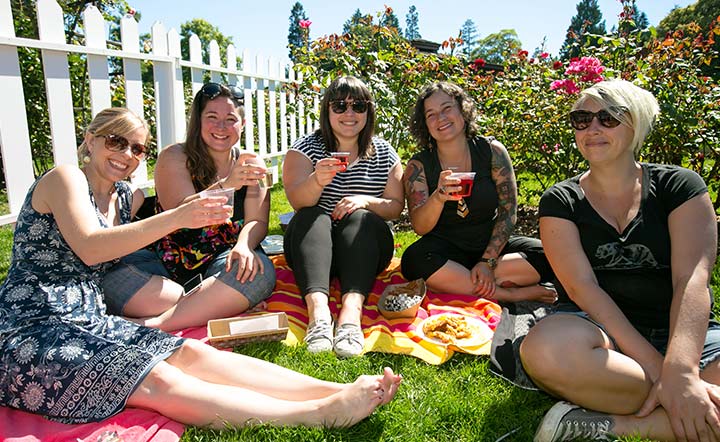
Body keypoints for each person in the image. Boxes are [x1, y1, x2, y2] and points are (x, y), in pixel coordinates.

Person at [0, 107, 401, 428]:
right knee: (157, 379)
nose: (126, 155)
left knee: (191, 353)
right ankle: (317, 416)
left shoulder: (125, 196)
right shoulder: (65, 177)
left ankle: (332, 389)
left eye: (137, 149)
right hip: (30, 327)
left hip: (88, 319)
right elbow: (90, 248)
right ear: (89, 139)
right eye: (115, 141)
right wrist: (178, 218)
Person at [521, 79, 720, 442]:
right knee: (544, 350)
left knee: (699, 394)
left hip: (684, 334)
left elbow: (691, 280)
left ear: (637, 124)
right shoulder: (560, 200)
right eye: (581, 119)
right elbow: (584, 289)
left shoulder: (680, 186)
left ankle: (611, 426)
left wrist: (682, 368)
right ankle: (686, 409)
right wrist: (668, 376)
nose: (592, 128)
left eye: (608, 117)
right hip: (603, 335)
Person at [103, 83, 276, 331]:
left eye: (230, 119)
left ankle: (155, 324)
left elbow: (256, 220)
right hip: (163, 261)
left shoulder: (250, 161)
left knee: (259, 272)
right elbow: (181, 211)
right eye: (212, 117)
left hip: (223, 257)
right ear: (197, 120)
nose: (221, 127)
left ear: (243, 124)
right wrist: (228, 184)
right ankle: (208, 304)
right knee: (113, 277)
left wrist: (245, 245)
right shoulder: (175, 156)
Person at [401, 82, 556, 303]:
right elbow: (420, 227)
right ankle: (508, 293)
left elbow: (508, 212)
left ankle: (462, 282)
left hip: (491, 246)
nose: (441, 118)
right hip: (445, 251)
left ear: (462, 110)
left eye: (447, 108)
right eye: (431, 114)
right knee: (414, 261)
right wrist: (438, 197)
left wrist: (487, 262)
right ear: (425, 124)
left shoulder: (492, 151)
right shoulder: (419, 165)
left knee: (549, 254)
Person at [282, 76, 404, 358]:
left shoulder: (384, 152)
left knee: (359, 217)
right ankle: (319, 316)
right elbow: (297, 201)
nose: (349, 114)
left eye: (358, 106)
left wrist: (365, 201)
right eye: (339, 106)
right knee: (311, 215)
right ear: (327, 111)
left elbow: (395, 206)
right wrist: (317, 180)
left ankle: (350, 316)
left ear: (368, 112)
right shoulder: (306, 149)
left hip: (364, 250)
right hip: (313, 251)